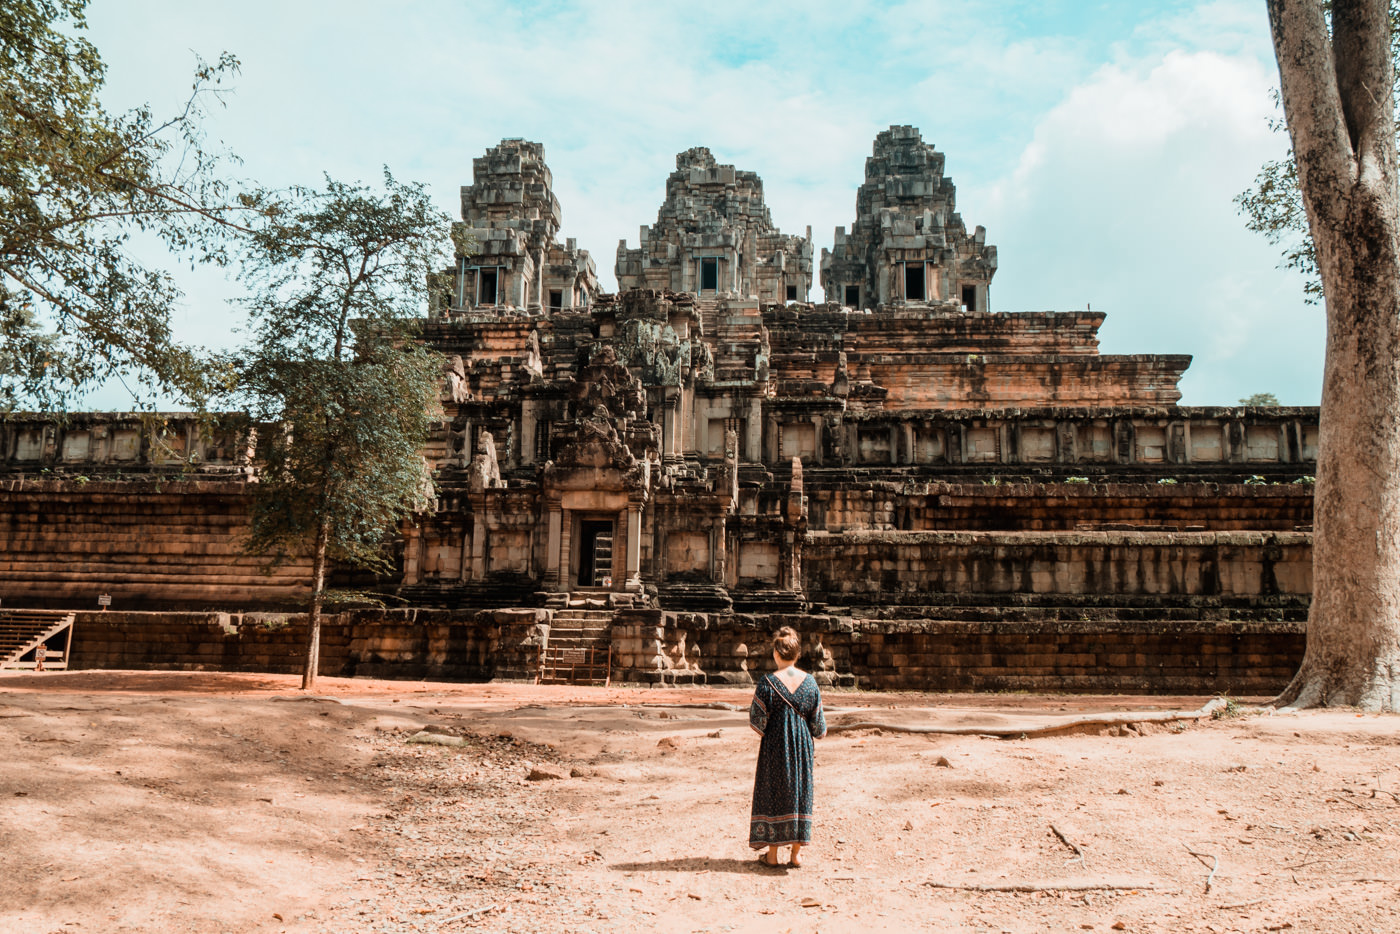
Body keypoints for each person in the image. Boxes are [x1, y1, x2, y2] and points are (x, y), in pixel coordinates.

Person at [748, 626, 826, 868]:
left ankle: (771, 855)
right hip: (802, 746)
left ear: (776, 654)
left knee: (773, 792)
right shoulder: (811, 683)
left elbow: (757, 722)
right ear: (797, 654)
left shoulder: (767, 683)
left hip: (775, 746)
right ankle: (796, 854)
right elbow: (819, 728)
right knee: (800, 791)